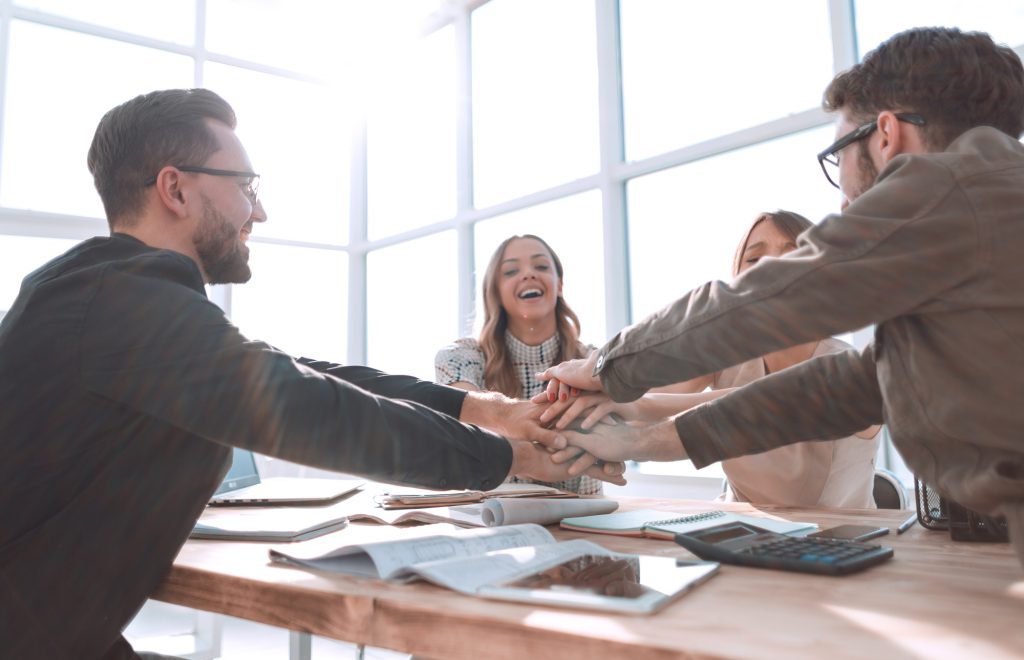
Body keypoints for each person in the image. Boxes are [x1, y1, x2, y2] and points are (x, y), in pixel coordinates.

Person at [0, 89, 623, 660]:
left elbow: (296, 371)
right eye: (245, 184)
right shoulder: (120, 302)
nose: (260, 210)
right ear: (176, 189)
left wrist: (482, 409)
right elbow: (304, 404)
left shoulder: (110, 296)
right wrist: (511, 456)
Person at [537, 27, 1024, 567]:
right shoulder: (987, 217)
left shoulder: (951, 185)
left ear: (885, 135)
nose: (840, 196)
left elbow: (778, 295)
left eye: (839, 154)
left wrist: (610, 365)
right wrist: (639, 443)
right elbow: (848, 389)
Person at [548, 211, 880, 507]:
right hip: (742, 534)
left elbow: (772, 402)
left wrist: (636, 410)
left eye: (794, 255)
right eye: (754, 259)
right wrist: (580, 413)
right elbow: (644, 402)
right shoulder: (728, 358)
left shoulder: (849, 368)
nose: (771, 267)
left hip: (841, 544)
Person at [436, 234, 602, 494]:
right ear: (496, 292)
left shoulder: (593, 361)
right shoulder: (460, 357)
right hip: (495, 524)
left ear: (559, 285)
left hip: (585, 520)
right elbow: (467, 416)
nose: (528, 275)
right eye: (511, 271)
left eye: (541, 267)